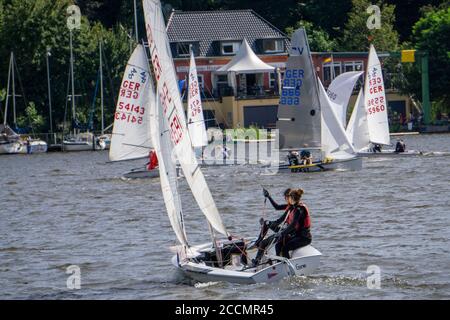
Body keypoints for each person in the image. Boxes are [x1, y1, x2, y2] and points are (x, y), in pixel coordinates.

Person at [252, 188, 312, 267]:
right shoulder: (291, 208)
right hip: (291, 233)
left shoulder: (299, 209)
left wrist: (282, 233)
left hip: (301, 236)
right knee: (276, 244)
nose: (285, 199)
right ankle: (260, 248)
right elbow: (279, 220)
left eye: (286, 197)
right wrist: (266, 223)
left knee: (283, 248)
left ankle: (286, 266)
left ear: (290, 198)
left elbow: (293, 224)